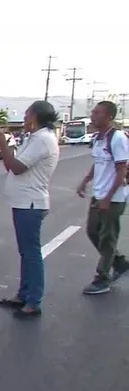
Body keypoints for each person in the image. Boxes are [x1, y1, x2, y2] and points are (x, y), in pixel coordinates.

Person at [0, 101, 60, 318]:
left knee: (31, 253)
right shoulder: (34, 138)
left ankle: (33, 301)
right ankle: (24, 294)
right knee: (26, 252)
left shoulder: (43, 139)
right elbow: (11, 165)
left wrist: (2, 145)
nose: (24, 117)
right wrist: (6, 148)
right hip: (22, 202)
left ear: (37, 116)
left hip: (31, 203)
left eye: (27, 114)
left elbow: (18, 168)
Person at [76, 100, 129, 295]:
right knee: (92, 231)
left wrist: (108, 197)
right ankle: (119, 262)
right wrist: (86, 181)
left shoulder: (118, 139)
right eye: (93, 112)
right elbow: (98, 163)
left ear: (109, 116)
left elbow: (121, 170)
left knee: (108, 237)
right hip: (99, 194)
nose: (92, 115)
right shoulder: (99, 138)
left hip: (113, 198)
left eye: (97, 112)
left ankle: (103, 278)